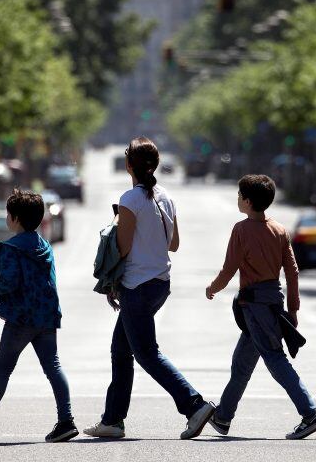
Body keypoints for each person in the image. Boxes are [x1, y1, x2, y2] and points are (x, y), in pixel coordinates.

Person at [84, 137, 215, 440]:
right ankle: (112, 420)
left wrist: (116, 226)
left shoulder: (131, 199)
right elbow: (175, 243)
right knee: (121, 349)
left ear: (129, 164)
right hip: (159, 283)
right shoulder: (166, 197)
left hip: (137, 286)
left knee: (146, 353)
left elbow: (123, 247)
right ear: (154, 165)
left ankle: (193, 405)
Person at [205, 174, 316, 440]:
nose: (237, 199)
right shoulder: (280, 231)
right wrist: (292, 310)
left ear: (247, 201)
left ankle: (310, 414)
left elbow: (229, 269)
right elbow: (292, 272)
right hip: (272, 301)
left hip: (254, 304)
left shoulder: (241, 230)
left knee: (274, 359)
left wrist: (212, 288)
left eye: (239, 195)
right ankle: (223, 417)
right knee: (242, 363)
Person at [0, 189, 78, 443]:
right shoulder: (44, 245)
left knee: (2, 370)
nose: (7, 218)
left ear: (15, 218)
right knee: (53, 367)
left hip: (21, 318)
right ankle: (66, 421)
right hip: (46, 316)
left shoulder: (9, 248)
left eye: (8, 214)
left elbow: (4, 277)